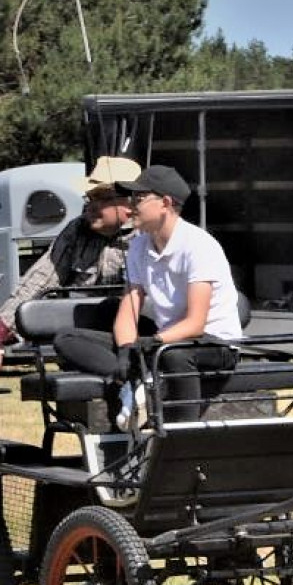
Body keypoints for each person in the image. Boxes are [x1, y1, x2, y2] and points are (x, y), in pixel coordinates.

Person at [54, 165, 241, 423]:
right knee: (66, 339)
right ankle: (134, 381)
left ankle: (180, 436)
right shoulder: (139, 246)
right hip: (167, 340)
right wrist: (126, 350)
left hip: (213, 344)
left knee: (174, 355)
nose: (131, 205)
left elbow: (196, 324)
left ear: (165, 203)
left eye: (139, 198)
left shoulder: (198, 246)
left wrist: (151, 344)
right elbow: (129, 309)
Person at [0, 156, 141, 372]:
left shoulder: (148, 236)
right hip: (82, 343)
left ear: (131, 202)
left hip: (138, 340)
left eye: (102, 198)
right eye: (89, 197)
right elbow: (39, 280)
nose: (91, 206)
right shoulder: (76, 231)